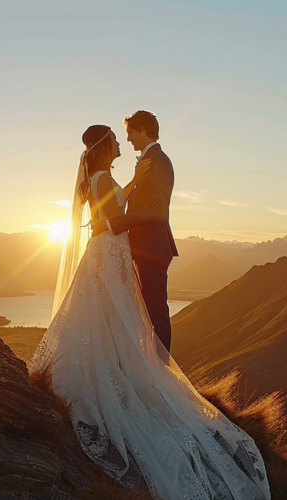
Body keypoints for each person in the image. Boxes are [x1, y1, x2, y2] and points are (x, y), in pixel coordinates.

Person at [30, 125, 270, 500]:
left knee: (107, 319)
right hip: (110, 255)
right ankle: (130, 376)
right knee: (116, 316)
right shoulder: (105, 178)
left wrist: (118, 212)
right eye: (113, 138)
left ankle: (117, 371)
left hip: (108, 253)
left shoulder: (102, 177)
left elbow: (116, 213)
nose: (119, 142)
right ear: (102, 146)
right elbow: (114, 218)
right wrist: (131, 219)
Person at [91, 111, 177, 353]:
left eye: (130, 132)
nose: (127, 139)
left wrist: (111, 225)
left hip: (152, 247)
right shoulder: (147, 160)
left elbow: (157, 211)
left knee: (156, 313)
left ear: (143, 130)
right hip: (144, 247)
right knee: (147, 313)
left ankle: (162, 372)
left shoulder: (158, 160)